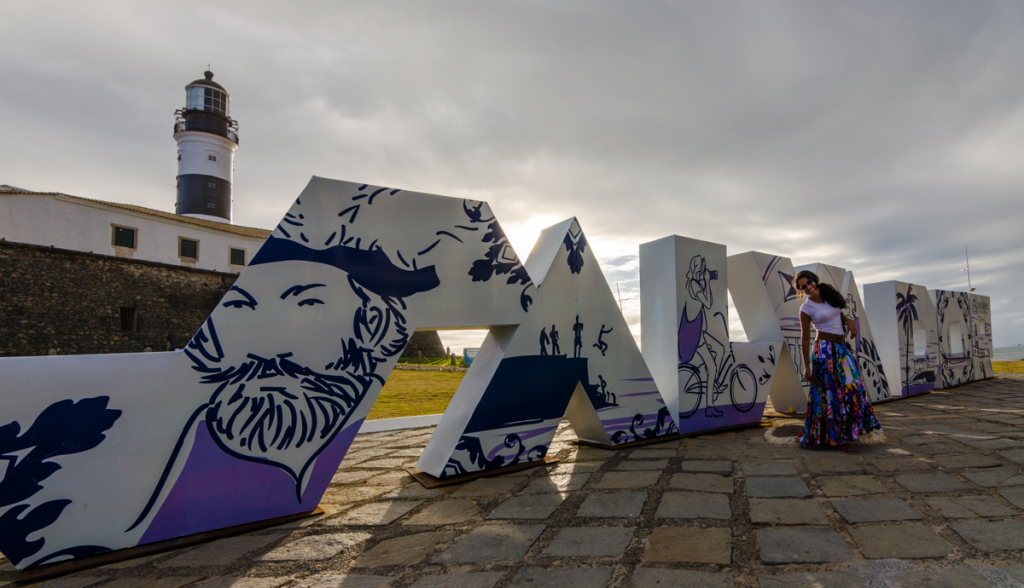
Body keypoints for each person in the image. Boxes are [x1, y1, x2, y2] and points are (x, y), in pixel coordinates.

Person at [795, 270, 881, 449]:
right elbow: (804, 338)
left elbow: (838, 312)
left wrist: (849, 321)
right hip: (824, 351)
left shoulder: (828, 293)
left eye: (810, 282)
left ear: (814, 280)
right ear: (801, 290)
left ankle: (850, 430)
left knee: (854, 387)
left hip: (841, 349)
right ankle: (834, 438)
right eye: (804, 286)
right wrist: (806, 366)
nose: (809, 287)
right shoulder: (806, 308)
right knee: (830, 394)